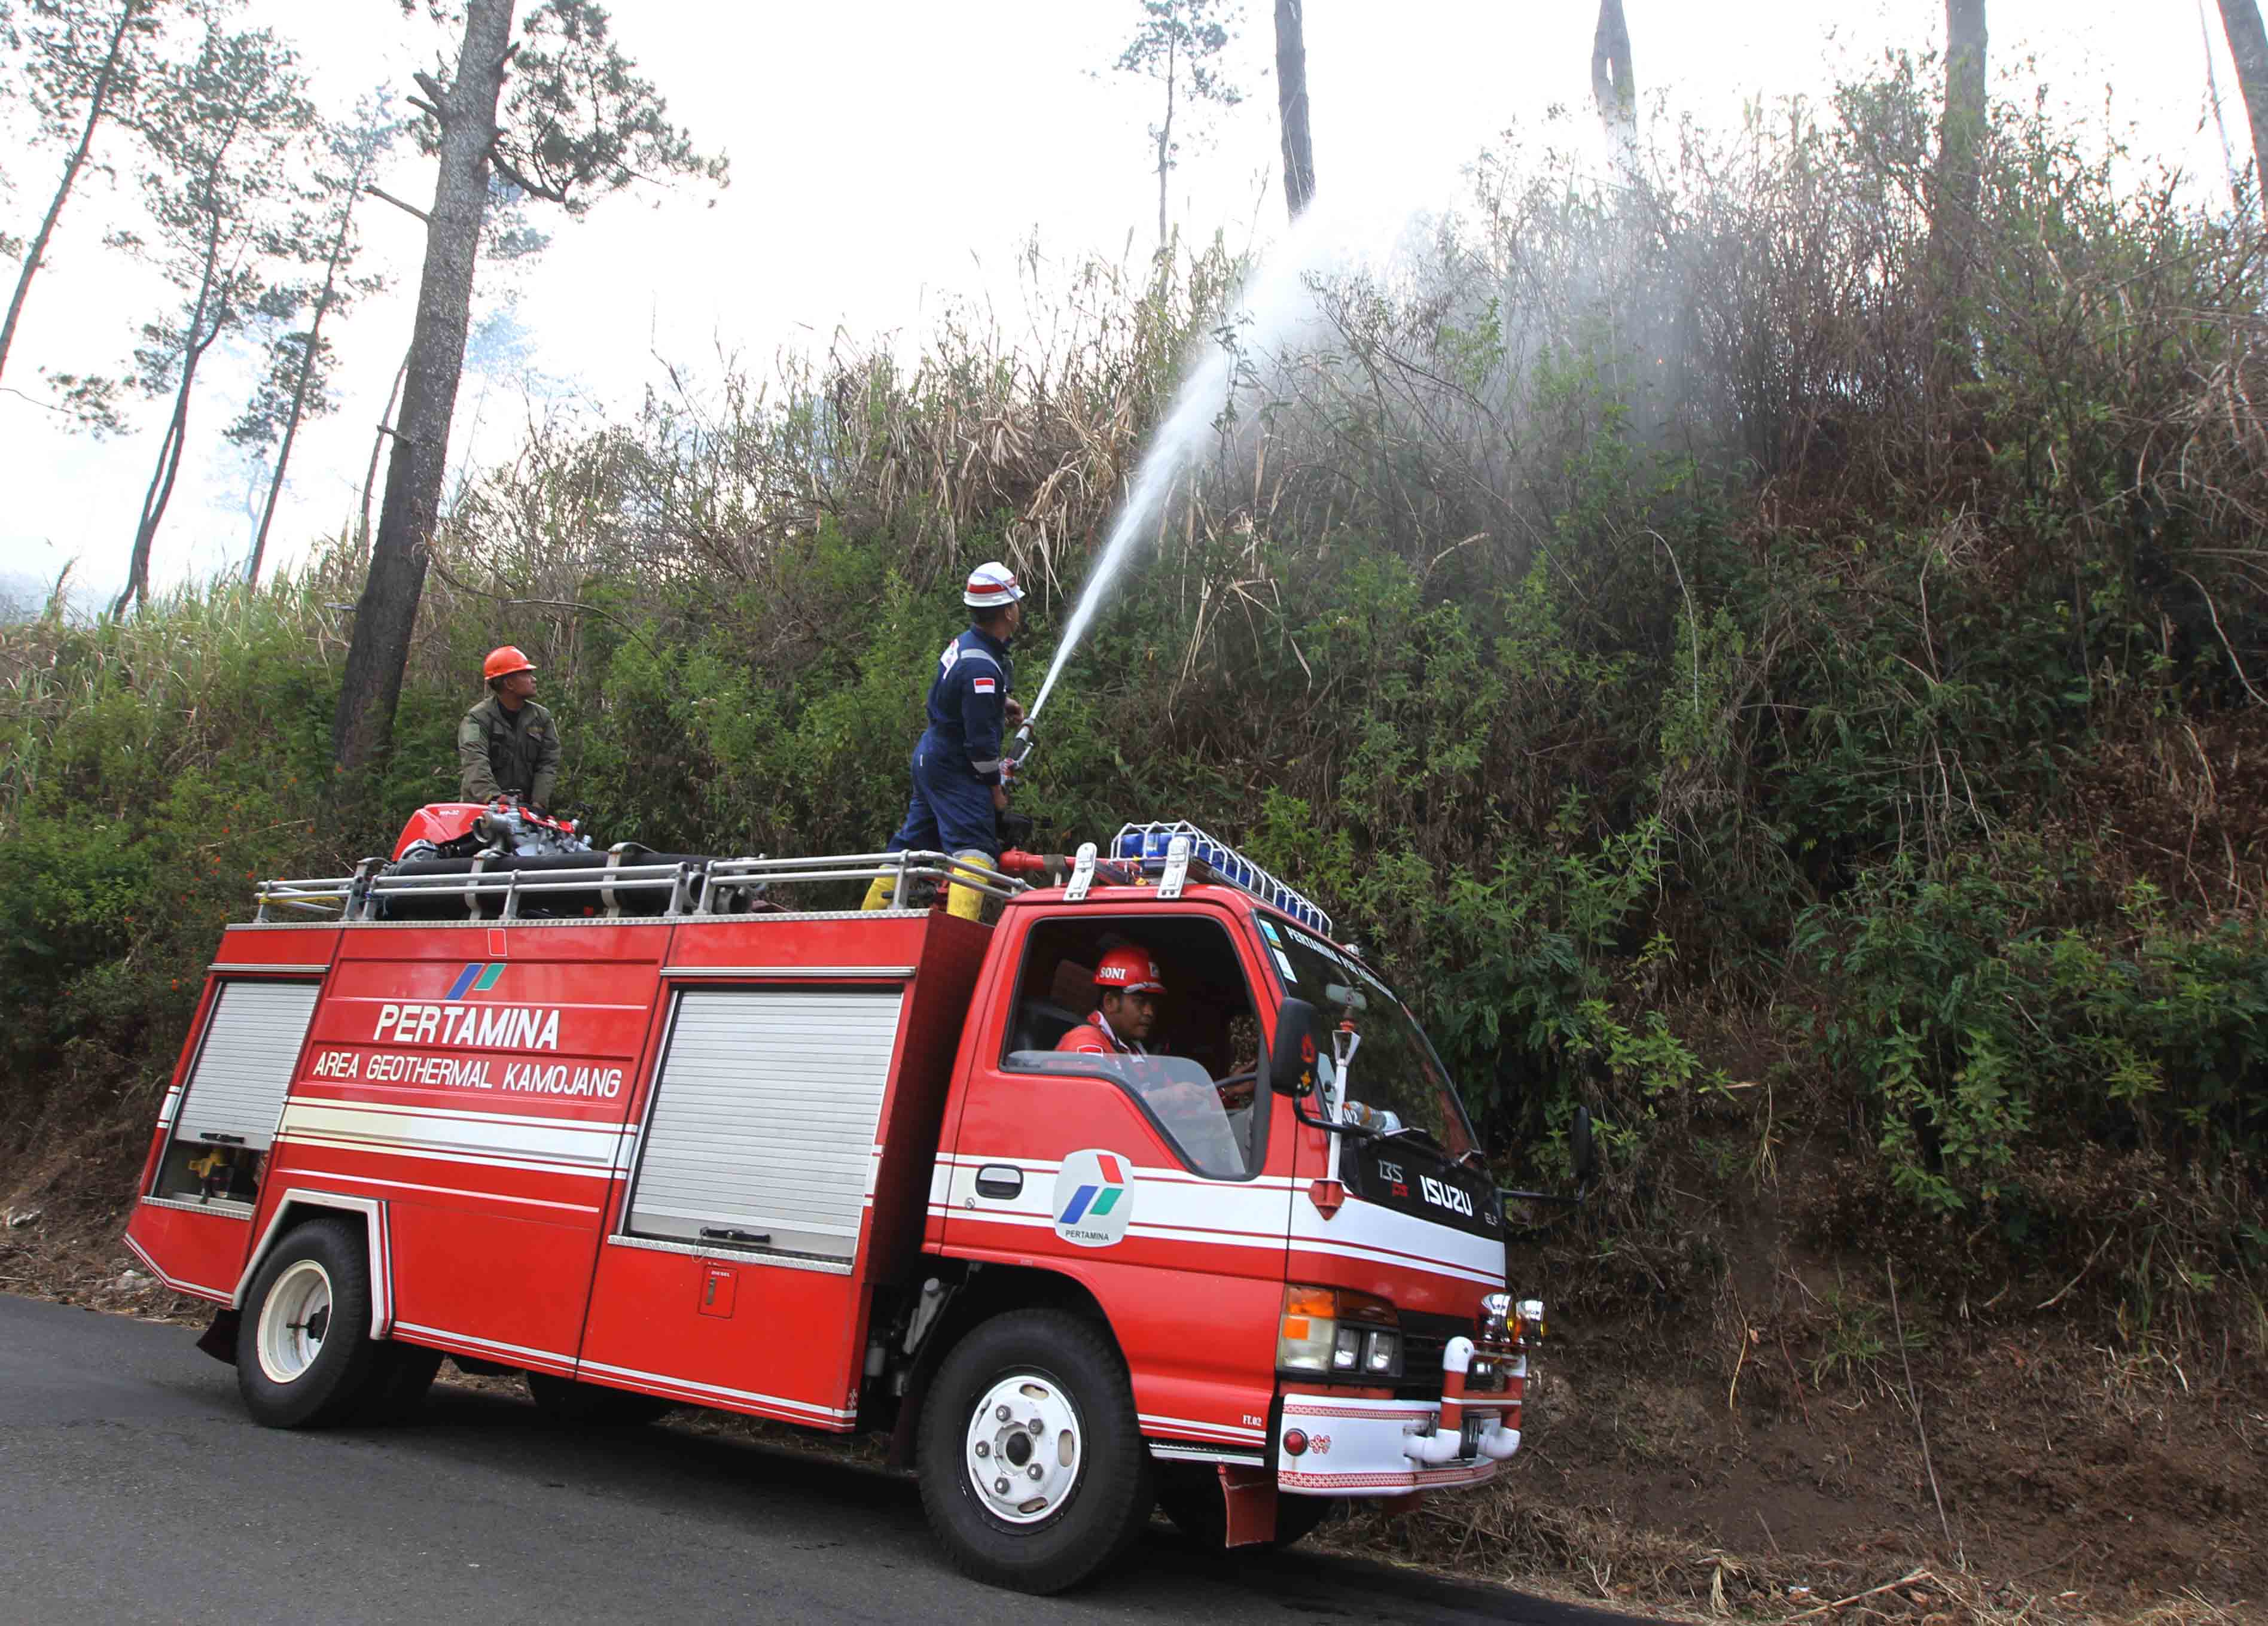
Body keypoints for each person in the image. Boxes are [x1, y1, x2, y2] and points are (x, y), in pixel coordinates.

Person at [861, 562, 1027, 921]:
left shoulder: (966, 645)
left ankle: (864, 925)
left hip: (932, 758)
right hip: (954, 766)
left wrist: (999, 703)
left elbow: (954, 696)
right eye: (1016, 602)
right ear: (1007, 612)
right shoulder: (982, 668)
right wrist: (995, 790)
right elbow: (981, 747)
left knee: (910, 846)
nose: (1019, 608)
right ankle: (959, 936)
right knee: (975, 849)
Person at [458, 645, 562, 810]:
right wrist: (493, 797)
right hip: (481, 810)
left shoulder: (542, 718)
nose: (534, 680)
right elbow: (474, 760)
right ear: (509, 684)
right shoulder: (476, 719)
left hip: (523, 810)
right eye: (526, 674)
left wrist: (538, 803)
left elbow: (548, 763)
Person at [1057, 946, 1166, 1056]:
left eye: (1153, 1003)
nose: (1149, 1012)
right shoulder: (1085, 1042)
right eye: (1140, 1002)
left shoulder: (1133, 1048)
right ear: (1110, 1002)